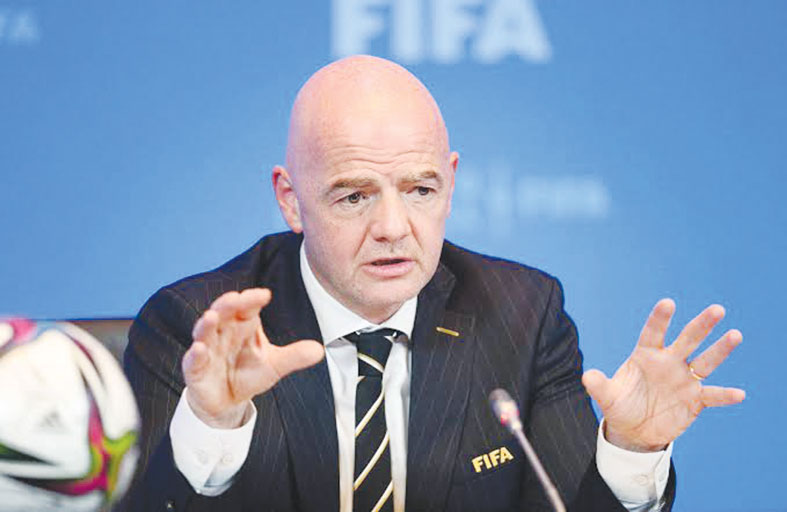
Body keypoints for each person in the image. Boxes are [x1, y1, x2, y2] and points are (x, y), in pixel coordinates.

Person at [123, 55, 745, 512]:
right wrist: (213, 423)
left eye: (420, 190)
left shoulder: (523, 315)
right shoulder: (194, 327)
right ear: (290, 199)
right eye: (354, 196)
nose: (394, 228)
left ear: (450, 182)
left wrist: (631, 450)